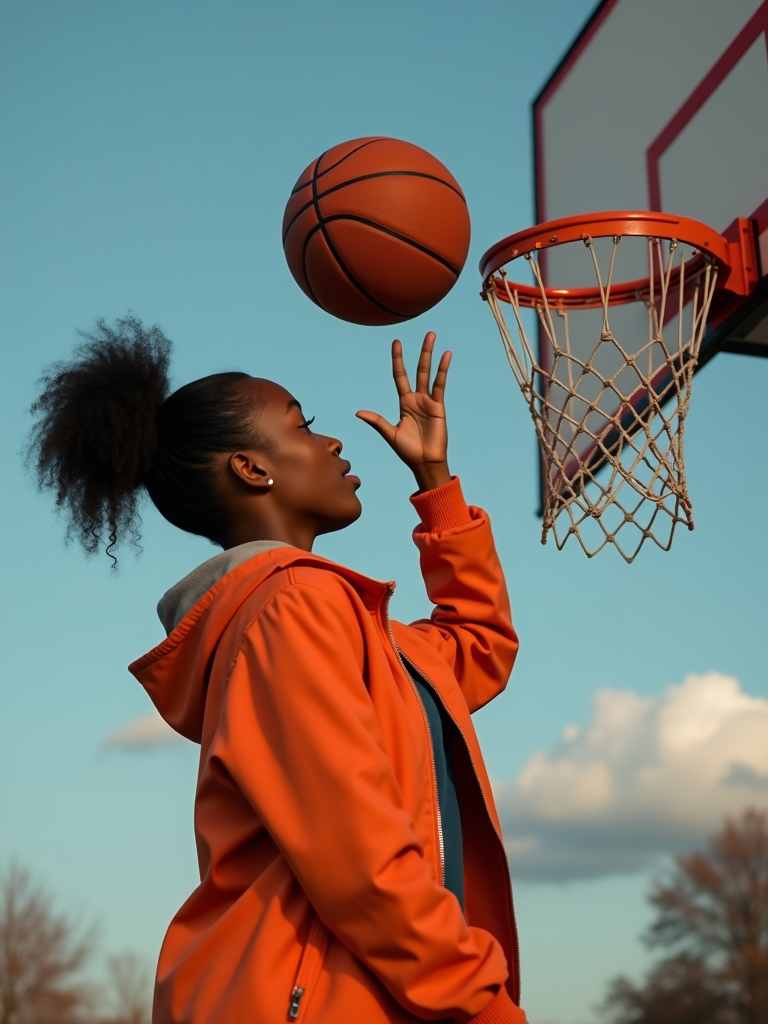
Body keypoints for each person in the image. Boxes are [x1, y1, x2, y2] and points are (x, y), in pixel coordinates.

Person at [29, 315, 524, 1024]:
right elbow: (360, 857)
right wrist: (482, 1004)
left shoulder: (343, 622)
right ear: (252, 467)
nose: (333, 440)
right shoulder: (290, 608)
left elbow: (477, 649)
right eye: (303, 424)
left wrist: (436, 484)